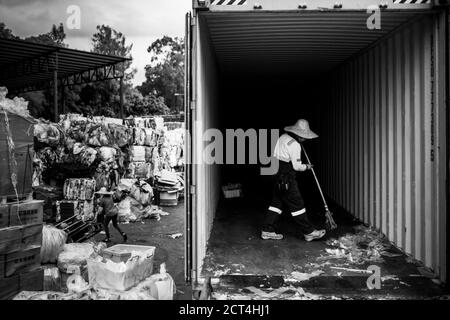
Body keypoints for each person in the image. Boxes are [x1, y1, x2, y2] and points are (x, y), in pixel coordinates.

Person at [261, 119, 326, 242]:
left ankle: (267, 230)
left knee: (277, 203)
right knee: (297, 203)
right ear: (298, 134)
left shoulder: (283, 137)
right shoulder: (295, 145)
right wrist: (307, 166)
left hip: (275, 173)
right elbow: (297, 166)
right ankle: (309, 232)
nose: (305, 139)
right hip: (286, 177)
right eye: (304, 136)